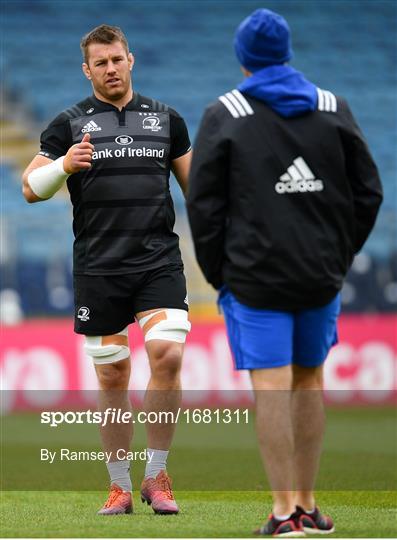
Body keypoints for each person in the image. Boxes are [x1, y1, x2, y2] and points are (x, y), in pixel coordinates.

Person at [187, 8, 382, 537]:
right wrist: (338, 258)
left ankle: (282, 513)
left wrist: (219, 274)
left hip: (254, 280)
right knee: (310, 381)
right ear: (287, 51)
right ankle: (311, 505)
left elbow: (203, 207)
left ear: (243, 58)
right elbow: (369, 192)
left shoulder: (224, 113)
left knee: (270, 389)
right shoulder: (331, 107)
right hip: (319, 276)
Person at [22, 24, 192, 516]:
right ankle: (119, 486)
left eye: (116, 59)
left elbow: (196, 188)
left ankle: (157, 474)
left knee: (167, 355)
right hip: (98, 269)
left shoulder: (166, 120)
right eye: (101, 63)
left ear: (130, 59)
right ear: (87, 69)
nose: (111, 68)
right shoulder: (68, 125)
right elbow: (30, 188)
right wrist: (64, 167)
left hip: (158, 261)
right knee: (114, 374)